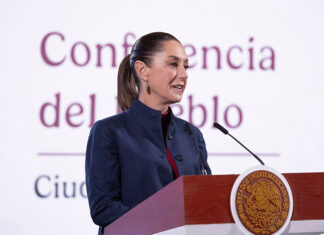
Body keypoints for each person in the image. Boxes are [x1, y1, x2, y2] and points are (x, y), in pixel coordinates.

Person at [85, 32, 212, 235]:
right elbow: (103, 208)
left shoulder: (192, 134)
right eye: (173, 64)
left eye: (185, 66)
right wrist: (165, 223)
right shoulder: (109, 131)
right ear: (143, 70)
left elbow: (204, 202)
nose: (184, 74)